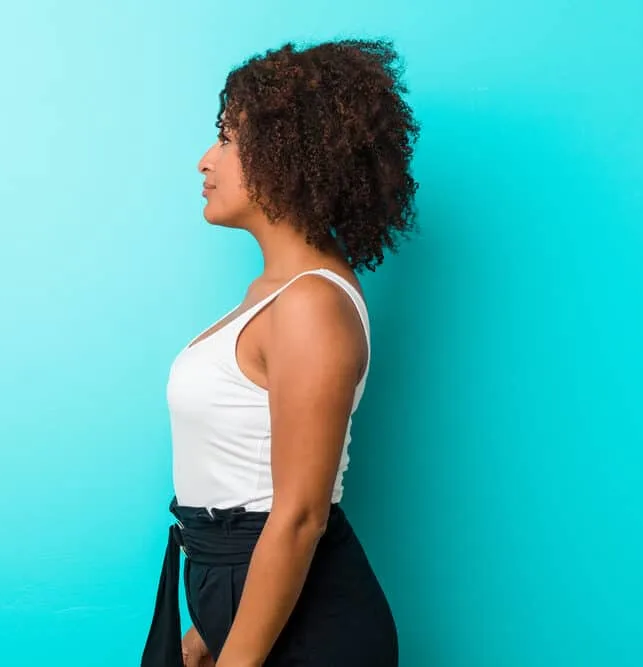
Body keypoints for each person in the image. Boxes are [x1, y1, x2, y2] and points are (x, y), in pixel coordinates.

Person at [141, 38, 420, 667]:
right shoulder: (271, 297)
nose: (204, 161)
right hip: (242, 601)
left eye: (226, 138)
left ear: (285, 152)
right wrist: (210, 633)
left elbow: (296, 516)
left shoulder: (310, 306)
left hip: (310, 625)